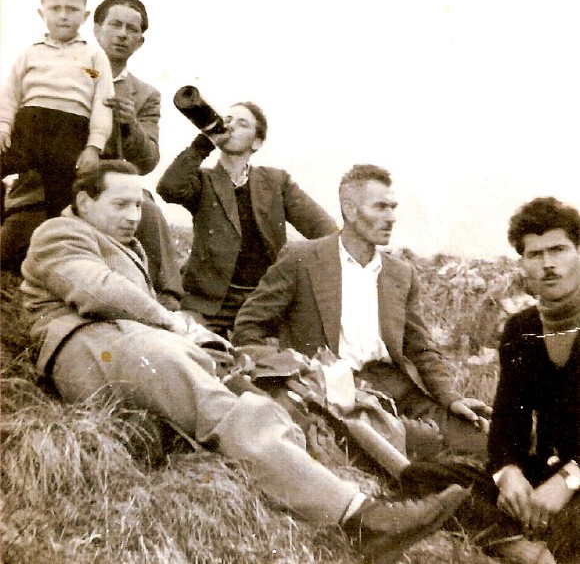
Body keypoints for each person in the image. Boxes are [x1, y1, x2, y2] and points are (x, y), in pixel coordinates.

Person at [19, 160, 469, 564]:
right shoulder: (59, 233)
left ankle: (353, 487)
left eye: (137, 206)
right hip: (88, 343)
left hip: (131, 342)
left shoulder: (126, 245)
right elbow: (97, 290)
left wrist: (199, 339)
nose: (133, 217)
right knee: (215, 403)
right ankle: (362, 519)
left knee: (254, 395)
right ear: (82, 201)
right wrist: (175, 323)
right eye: (120, 205)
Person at [232, 164, 492, 457]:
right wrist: (295, 370)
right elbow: (248, 327)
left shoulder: (401, 274)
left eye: (393, 207)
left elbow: (420, 348)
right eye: (380, 207)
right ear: (350, 210)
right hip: (336, 391)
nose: (391, 217)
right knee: (419, 446)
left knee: (483, 442)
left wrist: (451, 398)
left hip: (396, 386)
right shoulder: (302, 259)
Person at [399, 196, 580, 564]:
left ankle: (523, 539)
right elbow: (506, 427)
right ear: (523, 263)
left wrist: (568, 482)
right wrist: (508, 475)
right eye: (535, 254)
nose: (548, 264)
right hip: (543, 474)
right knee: (420, 476)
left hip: (574, 479)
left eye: (559, 250)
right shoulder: (521, 329)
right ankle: (522, 543)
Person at [1, 0, 183, 308]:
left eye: (132, 29)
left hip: (109, 196)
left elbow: (148, 161)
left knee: (145, 207)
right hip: (41, 192)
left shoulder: (144, 95)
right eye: (115, 25)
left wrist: (130, 125)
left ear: (140, 41)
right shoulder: (56, 71)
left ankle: (168, 301)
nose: (123, 35)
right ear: (96, 29)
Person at [157, 102, 337, 336]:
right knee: (188, 348)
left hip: (263, 303)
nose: (230, 127)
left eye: (242, 124)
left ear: (257, 142)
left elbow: (323, 228)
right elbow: (169, 188)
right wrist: (203, 144)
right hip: (209, 307)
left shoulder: (276, 182)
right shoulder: (204, 181)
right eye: (227, 120)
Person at [0, 0, 113, 219]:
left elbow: (102, 103)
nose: (63, 15)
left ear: (84, 16)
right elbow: (9, 95)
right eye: (55, 8)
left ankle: (57, 238)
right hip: (29, 128)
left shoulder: (93, 57)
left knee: (61, 198)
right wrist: (4, 126)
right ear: (43, 14)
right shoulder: (30, 54)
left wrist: (94, 146)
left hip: (69, 131)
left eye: (72, 9)